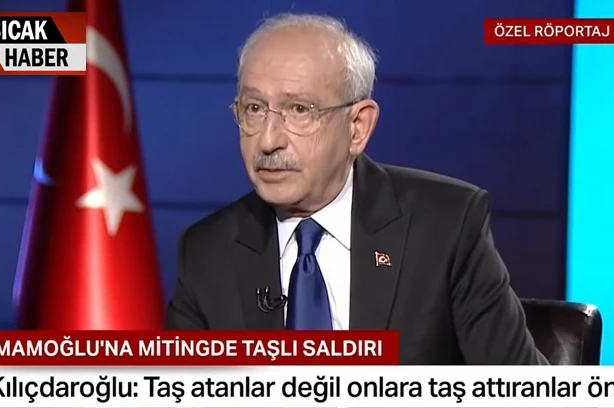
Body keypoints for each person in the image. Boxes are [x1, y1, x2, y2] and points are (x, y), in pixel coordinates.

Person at [166, 12, 548, 365]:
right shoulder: (207, 252)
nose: (268, 141)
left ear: (357, 128)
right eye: (254, 109)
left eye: (299, 110)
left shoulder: (446, 227)